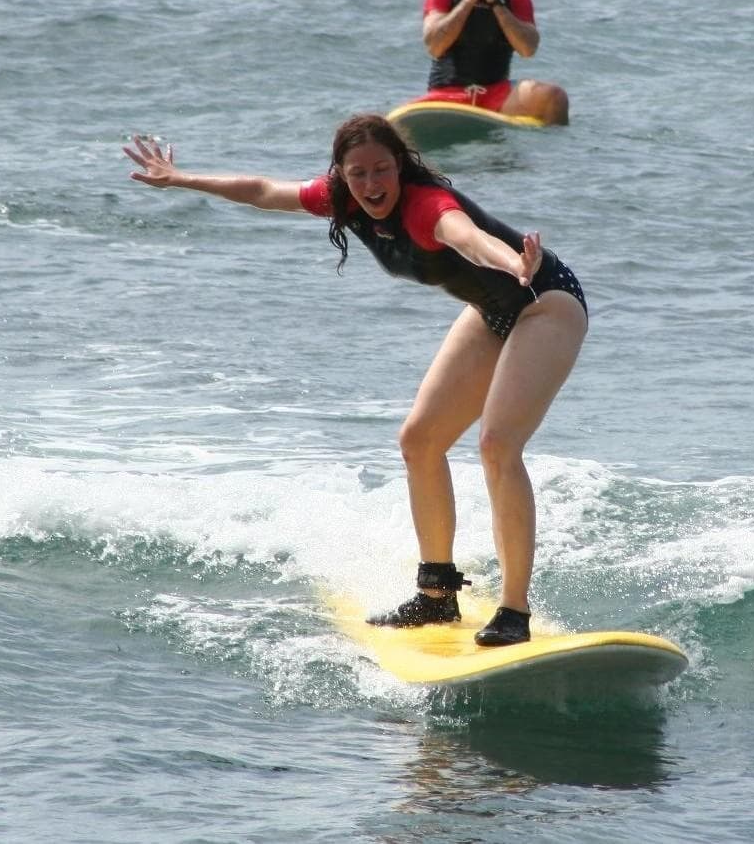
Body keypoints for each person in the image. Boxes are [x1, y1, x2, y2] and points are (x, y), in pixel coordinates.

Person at [124, 114, 588, 646]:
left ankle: (513, 612)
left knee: (497, 444)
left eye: (383, 170)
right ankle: (436, 596)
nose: (372, 185)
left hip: (543, 302)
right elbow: (263, 191)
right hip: (490, 310)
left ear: (401, 167)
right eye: (359, 173)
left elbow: (467, 238)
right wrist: (182, 179)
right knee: (419, 440)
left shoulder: (425, 206)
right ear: (342, 175)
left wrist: (514, 262)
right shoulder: (341, 198)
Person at [412, 0, 570, 125]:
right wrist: (468, 0)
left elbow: (528, 49)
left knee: (555, 98)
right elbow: (434, 46)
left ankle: (555, 153)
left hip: (496, 94)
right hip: (446, 94)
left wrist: (495, 2)